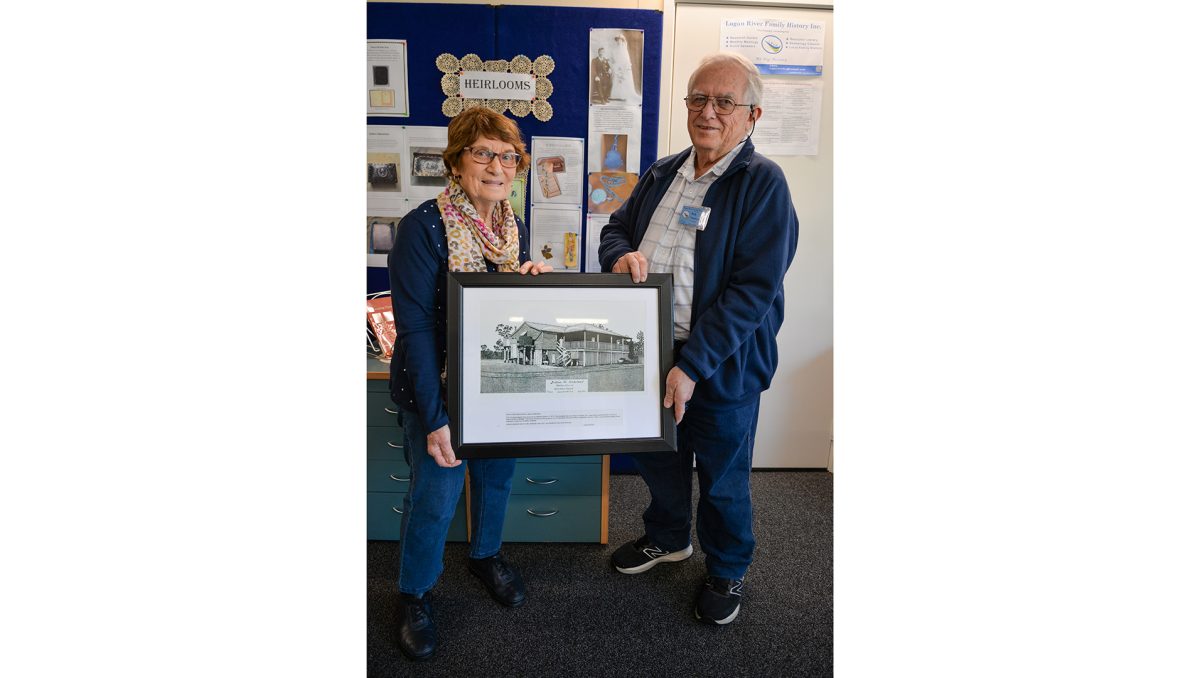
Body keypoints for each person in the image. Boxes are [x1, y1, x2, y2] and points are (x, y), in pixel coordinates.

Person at [599, 52, 798, 626]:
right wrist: (620, 257)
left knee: (722, 478)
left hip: (722, 364)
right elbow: (614, 228)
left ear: (751, 114)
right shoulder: (664, 172)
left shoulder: (763, 185)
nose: (707, 111)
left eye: (723, 102)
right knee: (658, 459)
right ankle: (668, 538)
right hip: (649, 350)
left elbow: (751, 293)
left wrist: (693, 366)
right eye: (697, 99)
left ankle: (727, 568)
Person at [388, 107, 552, 660]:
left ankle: (485, 556)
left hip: (495, 387)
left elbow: (502, 315)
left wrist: (530, 287)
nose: (497, 165)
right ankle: (414, 594)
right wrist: (435, 418)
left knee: (497, 478)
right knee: (435, 494)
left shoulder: (513, 226)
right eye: (483, 153)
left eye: (508, 156)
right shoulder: (422, 228)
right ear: (456, 163)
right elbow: (413, 328)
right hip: (434, 389)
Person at [608, 33, 641, 104]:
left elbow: (627, 59)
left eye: (620, 40)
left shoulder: (624, 50)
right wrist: (613, 64)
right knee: (616, 80)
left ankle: (624, 95)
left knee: (623, 79)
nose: (619, 42)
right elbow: (611, 58)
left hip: (623, 66)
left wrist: (626, 67)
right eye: (617, 40)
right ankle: (616, 95)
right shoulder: (614, 50)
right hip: (616, 66)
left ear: (622, 41)